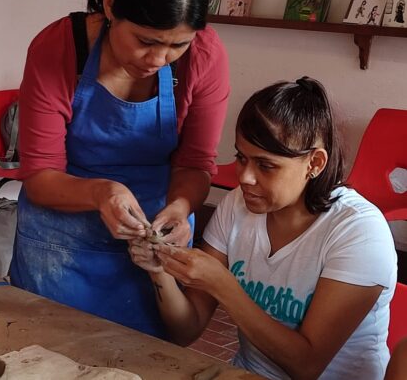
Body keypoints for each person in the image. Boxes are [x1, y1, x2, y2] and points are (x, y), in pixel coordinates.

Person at [10, 0, 230, 337]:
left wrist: (180, 208)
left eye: (177, 45)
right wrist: (100, 193)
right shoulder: (60, 48)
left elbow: (196, 162)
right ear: (110, 6)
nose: (158, 59)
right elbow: (40, 175)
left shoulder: (205, 57)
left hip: (152, 247)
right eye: (146, 41)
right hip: (62, 244)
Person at [130, 77, 397, 379]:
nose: (245, 177)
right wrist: (160, 272)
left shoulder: (357, 232)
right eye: (241, 158)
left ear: (315, 163)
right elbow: (185, 332)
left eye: (266, 165)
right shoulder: (237, 206)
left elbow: (306, 366)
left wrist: (222, 285)